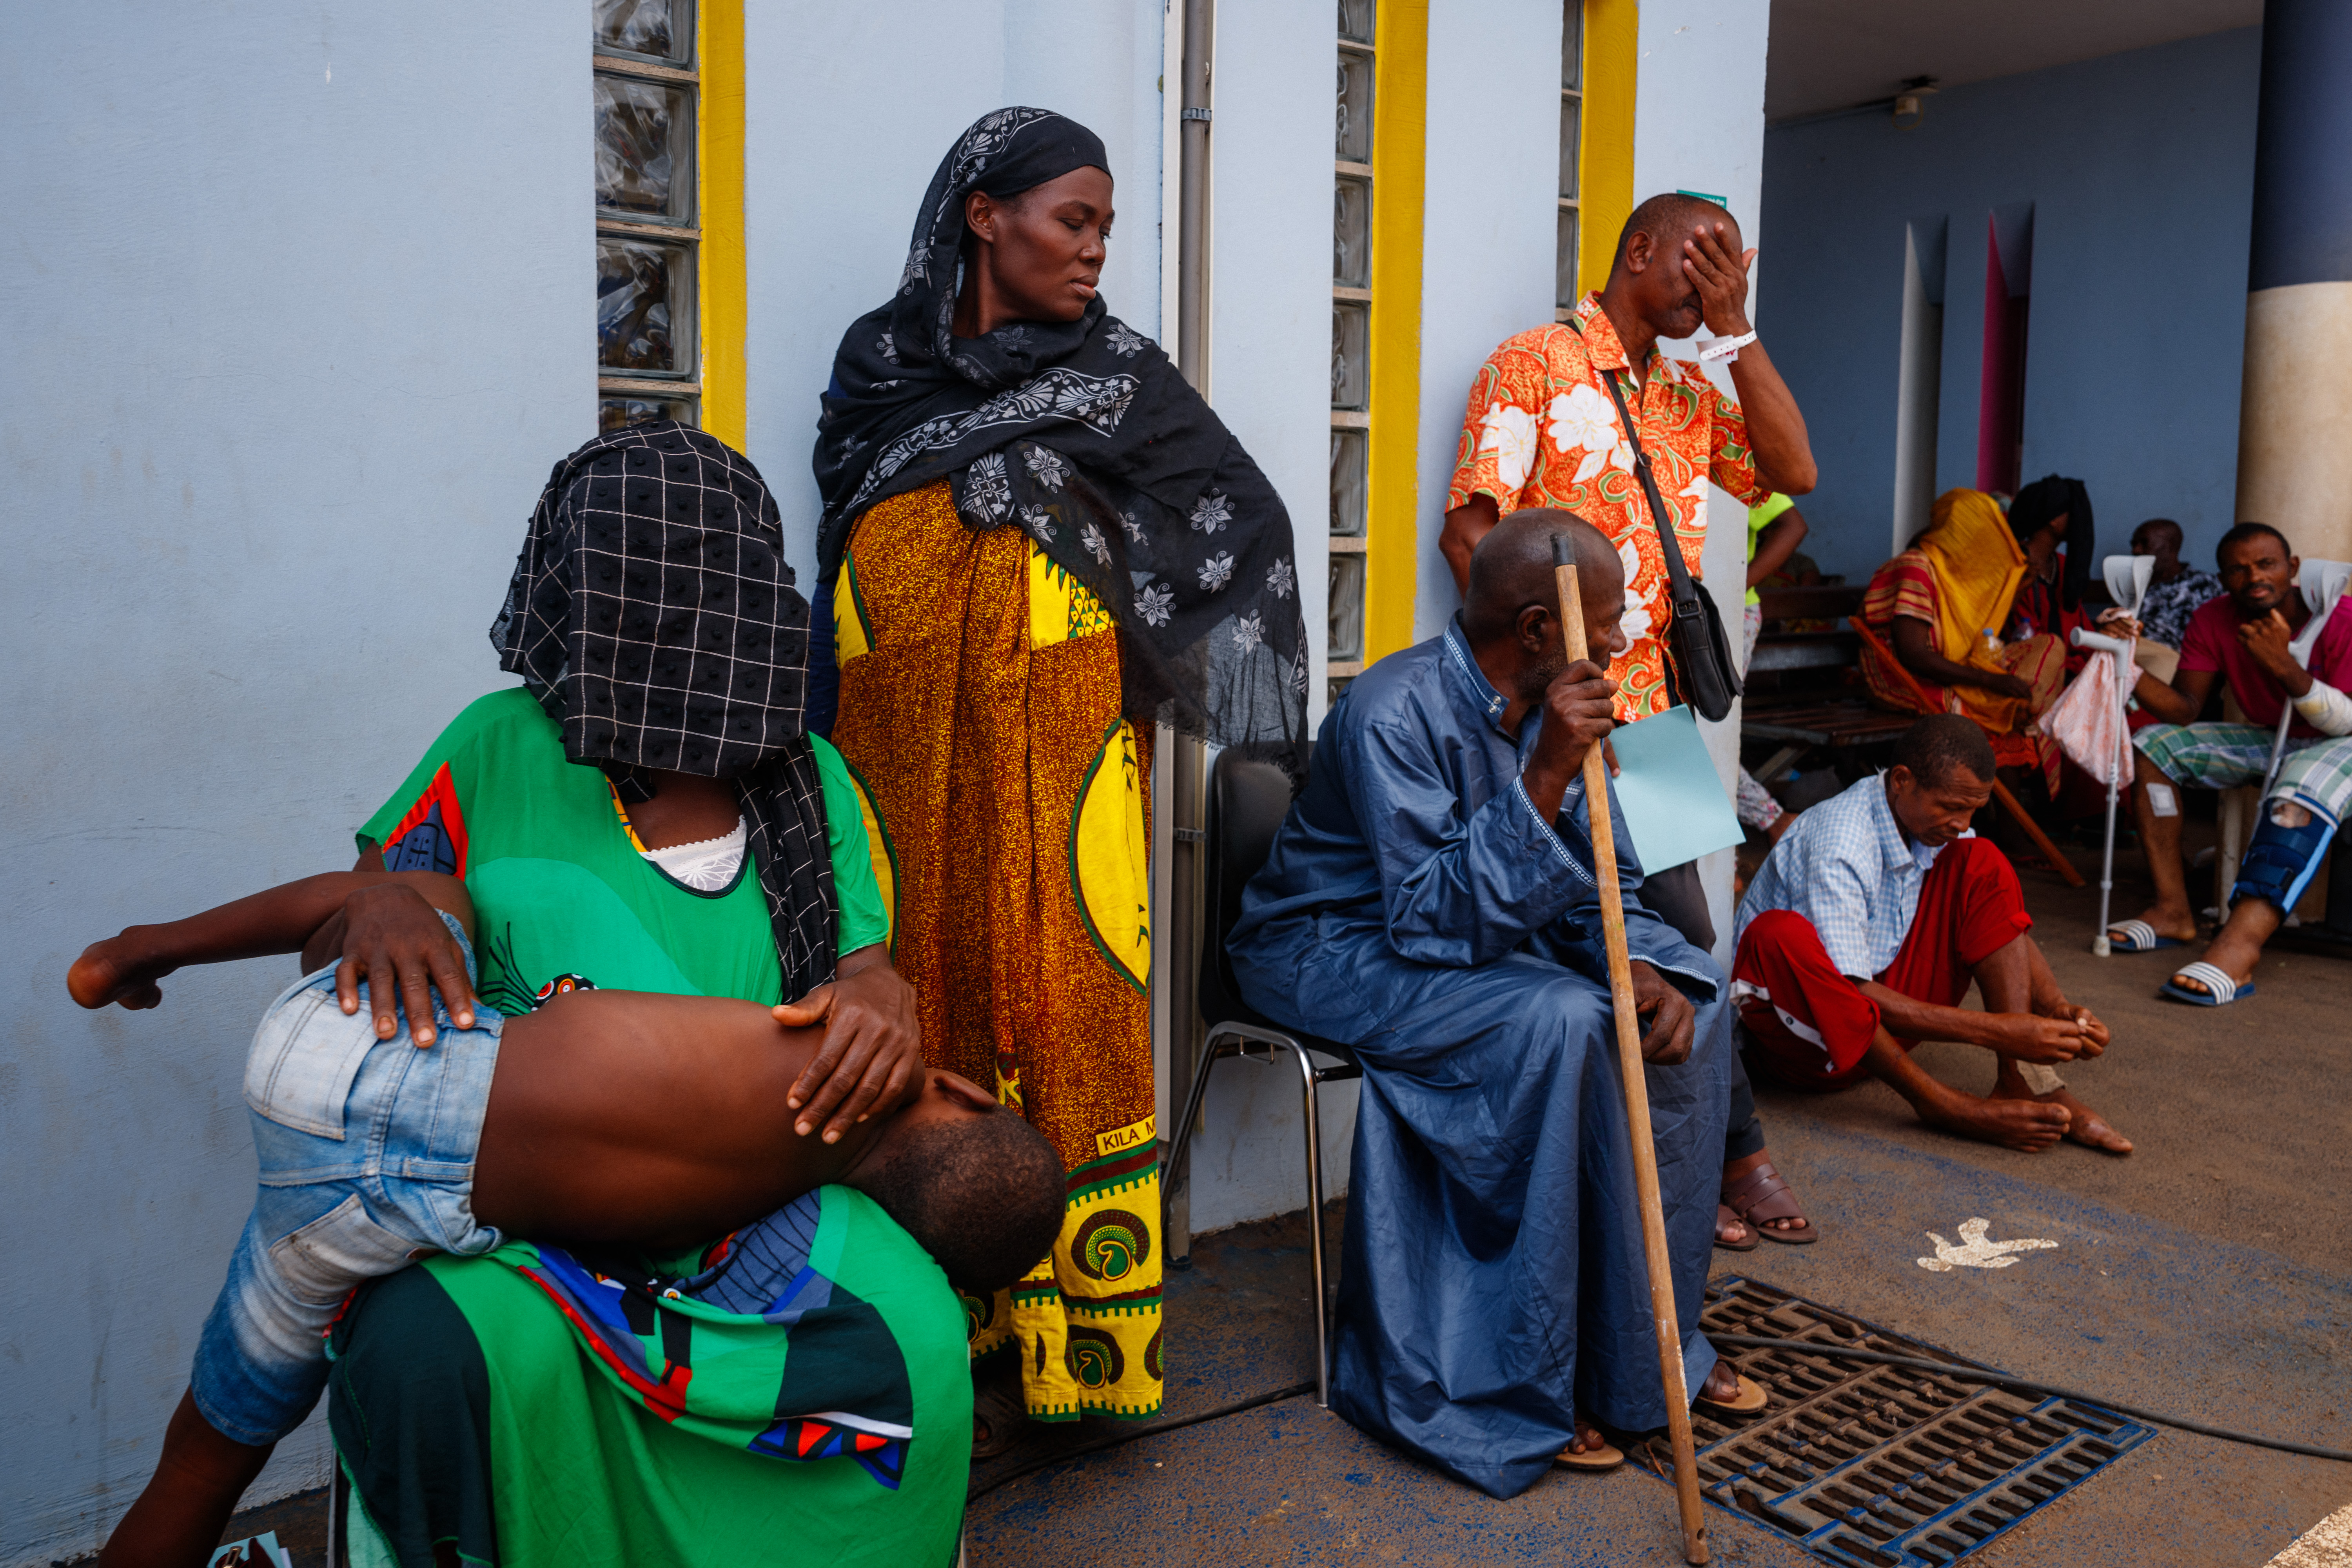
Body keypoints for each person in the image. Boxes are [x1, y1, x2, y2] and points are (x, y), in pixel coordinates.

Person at [183, 422, 942, 1567]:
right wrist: (374, 903)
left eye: (709, 587)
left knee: (914, 1331)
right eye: (638, 593)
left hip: (748, 1182)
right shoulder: (490, 749)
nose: (675, 623)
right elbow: (363, 936)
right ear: (575, 597)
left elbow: (859, 961)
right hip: (508, 1208)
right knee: (434, 1354)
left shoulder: (811, 778)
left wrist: (882, 994)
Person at [70, 869, 1063, 1568]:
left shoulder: (813, 1049)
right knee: (208, 1455)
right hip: (357, 1220)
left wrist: (873, 989)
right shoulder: (759, 1200)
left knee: (433, 896)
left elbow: (596, 1025)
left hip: (359, 1053)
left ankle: (138, 950)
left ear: (966, 1092)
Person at [811, 108, 1308, 1445]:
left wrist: (1237, 706)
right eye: (1070, 220)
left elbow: (1236, 518)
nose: (1094, 251)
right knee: (914, 978)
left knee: (1064, 990)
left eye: (1103, 226)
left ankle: (1081, 1348)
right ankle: (928, 1323)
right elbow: (842, 524)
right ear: (985, 214)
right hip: (899, 748)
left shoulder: (1116, 378)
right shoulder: (879, 368)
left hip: (1063, 762)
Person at [1227, 510, 1762, 1500]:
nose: (1618, 639)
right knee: (1557, 1020)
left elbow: (1620, 882)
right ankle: (1505, 1376)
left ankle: (1641, 1359)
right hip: (1331, 947)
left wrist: (1646, 965)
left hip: (1486, 944)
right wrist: (1549, 770)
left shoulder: (1579, 700)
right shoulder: (1393, 709)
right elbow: (1426, 921)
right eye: (1603, 622)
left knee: (1690, 1001)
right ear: (1534, 628)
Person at [1436, 193, 1822, 1251]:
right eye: (1708, 265)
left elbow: (1795, 476)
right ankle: (1722, 1163)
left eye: (1735, 270)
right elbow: (1470, 534)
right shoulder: (1535, 363)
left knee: (1698, 937)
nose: (1718, 285)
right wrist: (1533, 685)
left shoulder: (1691, 390)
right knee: (1613, 949)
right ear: (1641, 251)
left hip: (1654, 722)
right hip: (1559, 724)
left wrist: (1738, 332)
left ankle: (1719, 1158)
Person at [1732, 716, 2131, 1154]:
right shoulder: (1841, 841)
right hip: (1806, 1046)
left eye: (1973, 809)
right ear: (1902, 781)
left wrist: (2053, 1008)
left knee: (1981, 862)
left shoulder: (1928, 823)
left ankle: (2023, 1080)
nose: (1961, 822)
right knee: (1777, 935)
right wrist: (1999, 1030)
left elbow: (1998, 921)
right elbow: (1848, 995)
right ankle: (1940, 1104)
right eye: (1951, 807)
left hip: (1883, 1026)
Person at [2102, 523, 2352, 1004]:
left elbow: (2343, 723)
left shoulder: (2337, 618)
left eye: (2266, 564)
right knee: (2155, 745)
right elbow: (2183, 710)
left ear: (2292, 569)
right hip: (2276, 739)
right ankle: (2173, 911)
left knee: (2297, 789)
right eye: (2238, 569)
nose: (2253, 577)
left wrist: (2284, 665)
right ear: (2222, 579)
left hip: (2344, 740)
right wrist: (2123, 659)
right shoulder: (2214, 618)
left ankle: (2239, 948)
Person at [1859, 487, 2070, 794]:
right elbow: (1913, 655)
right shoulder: (1916, 566)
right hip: (1901, 678)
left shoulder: (1955, 571)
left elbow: (1978, 634)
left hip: (1944, 671)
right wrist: (1990, 682)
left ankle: (2003, 823)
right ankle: (2004, 828)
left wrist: (2018, 588)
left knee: (2011, 706)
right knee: (1981, 719)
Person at [1735, 493, 1809, 843]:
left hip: (1727, 610)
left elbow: (1793, 524)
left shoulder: (1727, 449)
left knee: (1702, 732)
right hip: (1660, 607)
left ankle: (1772, 821)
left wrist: (1738, 584)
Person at [2127, 517, 2224, 675]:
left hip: (2172, 661)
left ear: (2171, 548)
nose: (2136, 550)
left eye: (2144, 543)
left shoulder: (2202, 584)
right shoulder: (2134, 583)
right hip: (2127, 650)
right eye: (2134, 544)